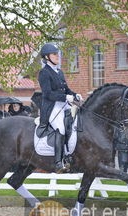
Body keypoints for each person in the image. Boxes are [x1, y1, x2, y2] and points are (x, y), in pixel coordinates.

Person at [38, 43, 82, 173]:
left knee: (73, 125)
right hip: (51, 108)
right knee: (61, 128)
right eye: (54, 54)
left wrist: (75, 95)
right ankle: (58, 162)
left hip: (63, 106)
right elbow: (47, 93)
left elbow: (66, 89)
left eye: (57, 54)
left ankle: (69, 155)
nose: (57, 56)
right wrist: (65, 97)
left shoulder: (59, 72)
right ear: (47, 57)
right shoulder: (44, 72)